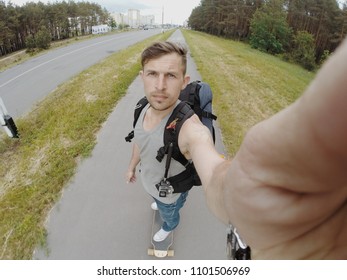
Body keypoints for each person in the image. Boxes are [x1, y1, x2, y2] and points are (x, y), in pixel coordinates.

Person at [126, 39, 347, 259]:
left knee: (169, 212)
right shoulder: (142, 107)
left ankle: (169, 224)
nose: (160, 85)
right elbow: (140, 140)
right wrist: (132, 166)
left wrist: (237, 195)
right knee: (155, 197)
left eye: (170, 75)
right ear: (142, 76)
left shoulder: (190, 129)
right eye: (153, 74)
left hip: (170, 193)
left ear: (184, 82)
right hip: (149, 180)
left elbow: (213, 173)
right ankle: (158, 202)